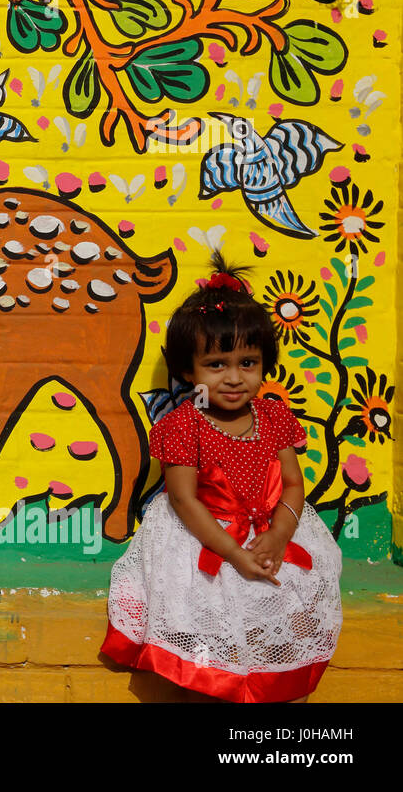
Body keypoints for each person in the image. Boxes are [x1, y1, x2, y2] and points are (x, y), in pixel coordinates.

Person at [100, 253, 342, 702]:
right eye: (216, 365)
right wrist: (233, 552)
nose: (234, 378)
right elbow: (184, 501)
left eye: (247, 363)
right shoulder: (182, 425)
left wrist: (279, 537)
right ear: (187, 370)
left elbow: (292, 483)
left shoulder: (272, 416)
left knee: (284, 629)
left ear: (264, 363)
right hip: (204, 542)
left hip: (274, 533)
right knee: (209, 651)